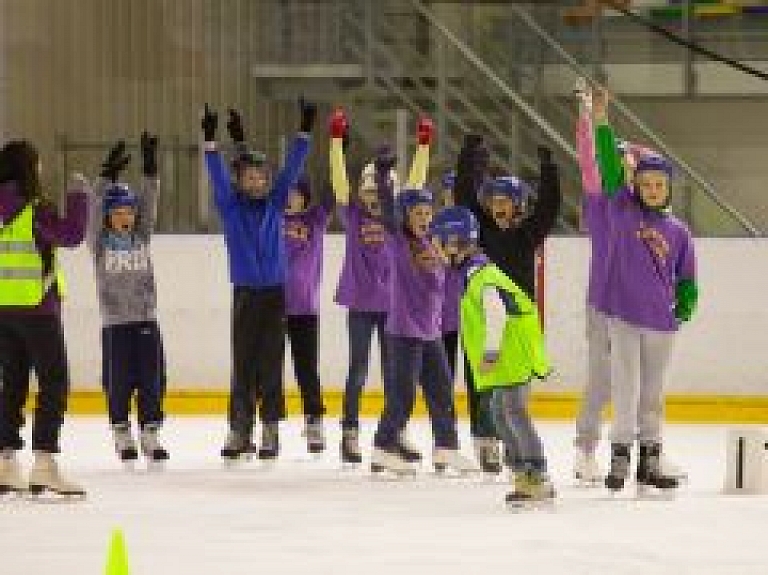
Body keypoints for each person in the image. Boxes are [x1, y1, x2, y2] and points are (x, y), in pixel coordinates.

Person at [575, 86, 698, 492]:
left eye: (659, 185)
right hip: (624, 318)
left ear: (668, 188)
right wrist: (601, 118)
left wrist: (684, 306)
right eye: (645, 185)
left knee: (652, 395)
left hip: (661, 324)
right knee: (624, 388)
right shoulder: (621, 208)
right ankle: (619, 456)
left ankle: (650, 459)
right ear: (636, 187)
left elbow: (687, 277)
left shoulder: (679, 231)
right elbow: (608, 163)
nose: (652, 191)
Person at [203, 100, 315, 461]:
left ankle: (270, 427)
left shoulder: (275, 203)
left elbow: (293, 168)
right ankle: (239, 428)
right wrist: (210, 144)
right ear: (240, 181)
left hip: (274, 295)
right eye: (250, 177)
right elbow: (220, 176)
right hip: (246, 296)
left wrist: (304, 132)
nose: (258, 181)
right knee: (243, 363)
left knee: (271, 362)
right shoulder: (230, 206)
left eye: (262, 177)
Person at [432, 205, 553, 506]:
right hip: (508, 356)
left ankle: (536, 474)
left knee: (514, 412)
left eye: (438, 243)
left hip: (512, 355)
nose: (434, 250)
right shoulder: (472, 271)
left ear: (454, 242)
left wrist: (491, 350)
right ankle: (520, 467)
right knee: (500, 411)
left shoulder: (479, 274)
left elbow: (497, 313)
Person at [328, 108, 430, 464]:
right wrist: (336, 142)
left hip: (392, 308)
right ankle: (349, 432)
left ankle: (394, 431)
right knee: (357, 370)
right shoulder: (352, 215)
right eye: (368, 191)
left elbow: (415, 184)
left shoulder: (397, 221)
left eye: (379, 191)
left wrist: (423, 147)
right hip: (360, 304)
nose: (372, 198)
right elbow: (338, 182)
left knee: (393, 376)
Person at [454, 136, 561, 472]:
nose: (498, 207)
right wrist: (468, 157)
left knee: (512, 405)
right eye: (493, 202)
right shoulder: (482, 232)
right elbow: (464, 200)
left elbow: (548, 208)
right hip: (487, 324)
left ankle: (533, 466)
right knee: (496, 404)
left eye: (505, 201)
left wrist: (549, 170)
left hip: (515, 327)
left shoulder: (527, 234)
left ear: (518, 205)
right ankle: (511, 459)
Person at [370, 175, 476, 475]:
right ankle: (383, 446)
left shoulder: (434, 243)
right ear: (404, 216)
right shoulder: (398, 241)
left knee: (442, 390)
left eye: (428, 213)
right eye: (418, 213)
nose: (425, 219)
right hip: (404, 330)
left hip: (431, 331)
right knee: (402, 393)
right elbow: (389, 211)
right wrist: (382, 179)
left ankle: (446, 448)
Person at [0, 140, 88, 496]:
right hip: (38, 309)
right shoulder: (34, 210)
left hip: (3, 311)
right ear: (27, 169)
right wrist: (80, 195)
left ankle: (5, 463)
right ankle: (44, 463)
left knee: (12, 384)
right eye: (36, 164)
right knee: (54, 383)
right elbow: (72, 235)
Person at [87, 136, 169, 466]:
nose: (127, 217)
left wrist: (151, 171)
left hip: (147, 320)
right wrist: (105, 176)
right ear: (109, 215)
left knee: (152, 379)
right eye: (119, 211)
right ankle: (122, 432)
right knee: (118, 382)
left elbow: (151, 205)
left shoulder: (141, 236)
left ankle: (150, 432)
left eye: (130, 211)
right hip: (116, 325)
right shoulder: (100, 244)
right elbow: (91, 211)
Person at [283, 173, 332, 453]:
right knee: (267, 370)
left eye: (295, 193)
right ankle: (269, 424)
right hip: (273, 306)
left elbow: (330, 196)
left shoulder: (315, 220)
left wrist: (338, 149)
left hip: (304, 308)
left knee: (306, 369)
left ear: (304, 196)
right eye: (286, 193)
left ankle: (314, 420)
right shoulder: (272, 220)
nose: (290, 198)